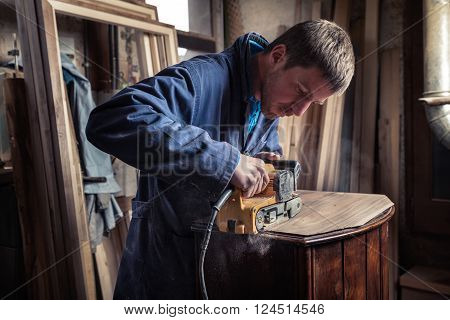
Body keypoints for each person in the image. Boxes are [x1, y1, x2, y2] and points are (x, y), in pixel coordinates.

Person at [86, 19, 355, 299]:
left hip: (222, 275)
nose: (300, 111)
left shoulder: (271, 99)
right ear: (278, 57)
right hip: (163, 278)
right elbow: (111, 119)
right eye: (301, 92)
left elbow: (248, 160)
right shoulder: (201, 80)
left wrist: (260, 163)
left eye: (313, 102)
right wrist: (227, 161)